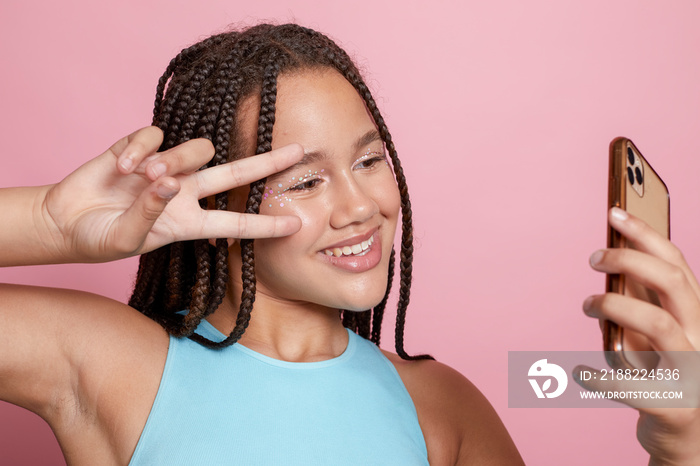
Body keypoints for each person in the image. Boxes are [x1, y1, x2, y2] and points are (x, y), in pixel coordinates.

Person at [0, 24, 523, 465]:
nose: (361, 207)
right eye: (304, 182)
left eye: (368, 161)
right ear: (216, 205)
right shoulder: (116, 365)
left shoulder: (438, 404)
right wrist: (49, 221)